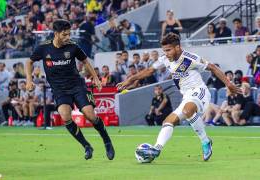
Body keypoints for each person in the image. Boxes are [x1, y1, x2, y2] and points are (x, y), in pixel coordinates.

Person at [117, 33, 241, 161]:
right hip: (187, 96)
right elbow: (149, 71)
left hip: (200, 92)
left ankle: (205, 141)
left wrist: (229, 84)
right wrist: (131, 79)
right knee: (168, 122)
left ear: (178, 47)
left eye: (168, 50)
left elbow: (213, 67)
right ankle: (156, 149)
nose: (166, 53)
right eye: (164, 50)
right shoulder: (165, 59)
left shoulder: (190, 58)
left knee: (188, 111)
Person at [26, 19, 115, 160]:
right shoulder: (43, 48)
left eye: (68, 34)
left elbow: (85, 61)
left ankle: (107, 141)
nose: (68, 37)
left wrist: (96, 78)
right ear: (56, 34)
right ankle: (86, 146)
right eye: (64, 35)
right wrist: (29, 80)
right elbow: (29, 62)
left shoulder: (73, 46)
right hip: (59, 89)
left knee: (90, 115)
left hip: (77, 86)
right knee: (65, 117)